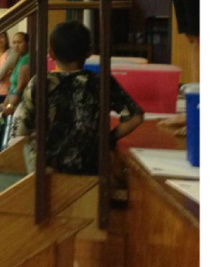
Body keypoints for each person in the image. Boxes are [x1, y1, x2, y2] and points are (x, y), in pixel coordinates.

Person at [13, 21, 144, 172]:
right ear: (89, 52)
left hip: (48, 171)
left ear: (51, 53)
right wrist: (107, 140)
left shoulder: (40, 82)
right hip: (90, 169)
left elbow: (21, 129)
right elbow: (136, 117)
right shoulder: (102, 82)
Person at [0, 30, 31, 146]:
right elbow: (12, 86)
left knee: (13, 142)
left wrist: (10, 106)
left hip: (20, 105)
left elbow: (20, 87)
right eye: (14, 42)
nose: (16, 45)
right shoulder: (19, 58)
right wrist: (5, 103)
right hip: (13, 102)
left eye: (19, 42)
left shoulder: (27, 59)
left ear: (27, 43)